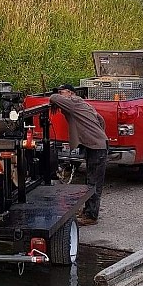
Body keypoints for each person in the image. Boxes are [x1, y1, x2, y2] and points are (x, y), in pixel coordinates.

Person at [48, 84, 109, 225]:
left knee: (93, 183)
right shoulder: (83, 104)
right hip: (97, 145)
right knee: (91, 180)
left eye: (62, 92)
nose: (59, 94)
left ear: (70, 93)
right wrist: (97, 136)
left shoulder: (73, 103)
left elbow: (53, 97)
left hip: (96, 147)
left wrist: (55, 99)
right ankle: (88, 211)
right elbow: (101, 120)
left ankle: (91, 216)